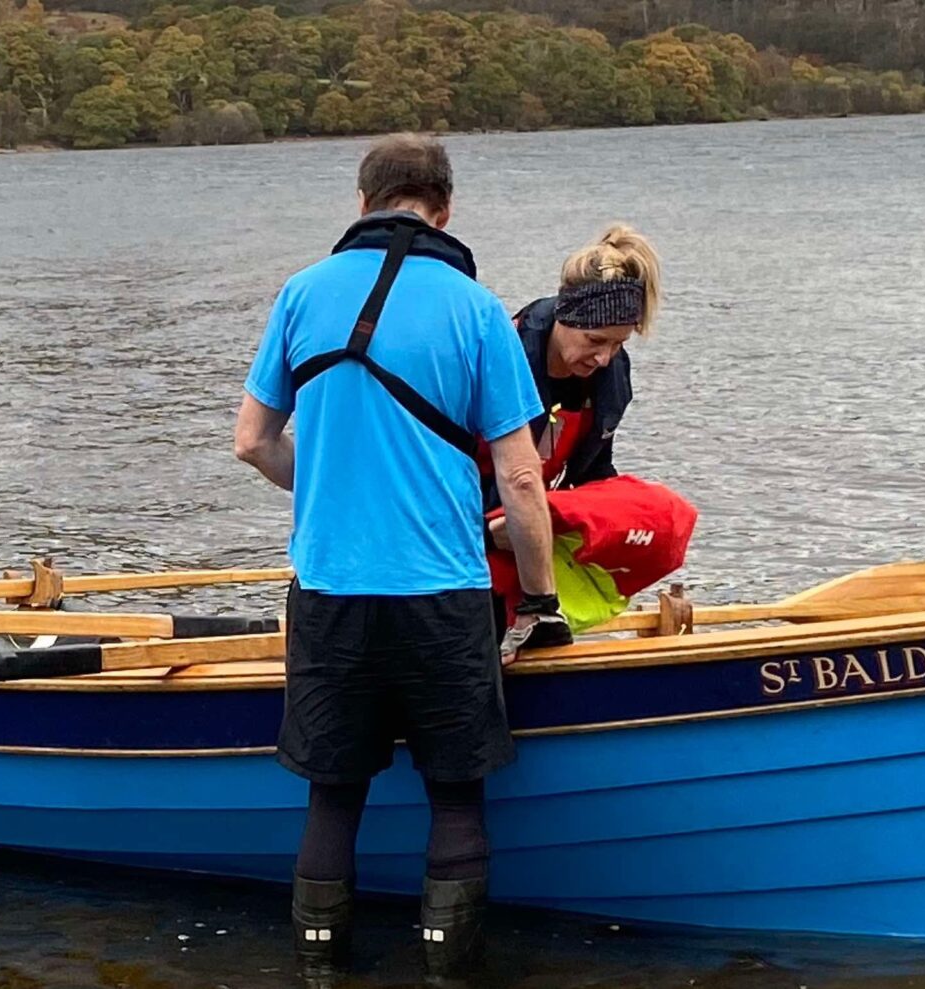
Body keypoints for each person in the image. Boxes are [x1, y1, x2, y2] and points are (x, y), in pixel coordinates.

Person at [232, 134, 568, 987]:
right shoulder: (475, 307)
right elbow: (522, 478)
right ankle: (450, 972)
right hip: (443, 596)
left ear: (362, 202)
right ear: (444, 208)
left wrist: (326, 492)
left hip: (332, 592)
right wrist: (539, 595)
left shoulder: (301, 294)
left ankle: (318, 972)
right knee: (455, 794)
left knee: (333, 790)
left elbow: (251, 441)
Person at [482, 225, 695, 633]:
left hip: (543, 515)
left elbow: (596, 474)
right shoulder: (505, 358)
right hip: (480, 523)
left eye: (618, 344)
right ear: (565, 317)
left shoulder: (611, 373)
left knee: (667, 514)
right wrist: (493, 533)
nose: (603, 358)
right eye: (595, 340)